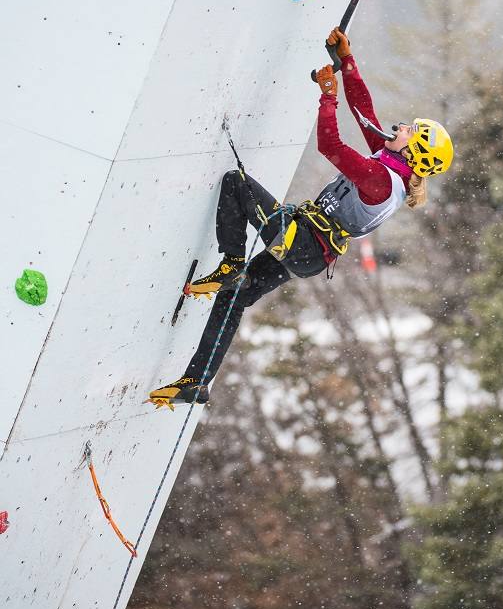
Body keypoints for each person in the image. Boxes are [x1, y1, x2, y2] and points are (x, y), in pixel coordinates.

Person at [148, 29, 454, 409]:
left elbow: (330, 146)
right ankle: (197, 381)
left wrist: (327, 98)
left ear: (415, 152)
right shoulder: (391, 165)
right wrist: (347, 64)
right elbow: (364, 112)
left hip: (305, 242)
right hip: (308, 251)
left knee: (236, 184)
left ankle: (230, 262)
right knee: (234, 298)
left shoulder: (380, 180)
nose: (400, 127)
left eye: (409, 130)